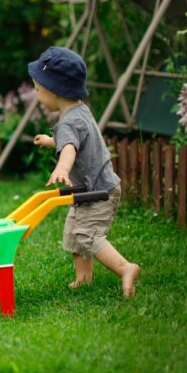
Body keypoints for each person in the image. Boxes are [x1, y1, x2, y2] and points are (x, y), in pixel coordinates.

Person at [29, 46, 140, 298]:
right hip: (94, 188)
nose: (36, 94)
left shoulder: (68, 122)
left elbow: (70, 147)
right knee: (74, 234)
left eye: (37, 89)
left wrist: (61, 167)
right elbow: (76, 139)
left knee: (88, 236)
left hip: (97, 192)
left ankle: (125, 268)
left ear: (53, 90)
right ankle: (83, 278)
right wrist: (50, 140)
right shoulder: (79, 110)